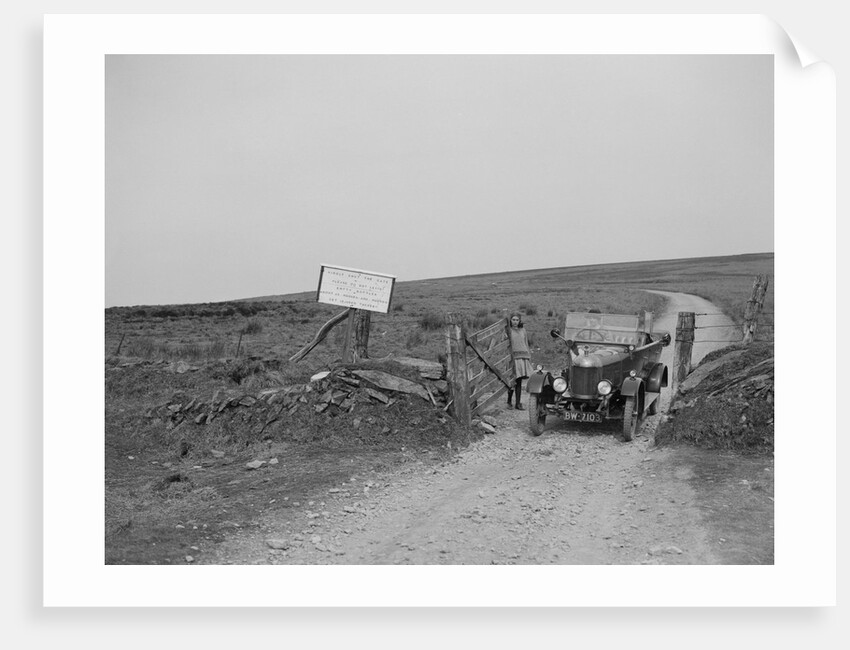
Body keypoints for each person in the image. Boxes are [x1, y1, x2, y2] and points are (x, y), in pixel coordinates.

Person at [507, 312, 533, 410]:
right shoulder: (508, 331)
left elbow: (526, 343)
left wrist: (529, 356)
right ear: (510, 320)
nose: (515, 322)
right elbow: (504, 344)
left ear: (519, 321)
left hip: (523, 357)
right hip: (513, 358)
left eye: (517, 320)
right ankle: (509, 401)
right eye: (513, 320)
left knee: (519, 381)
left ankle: (518, 403)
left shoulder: (523, 330)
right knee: (512, 381)